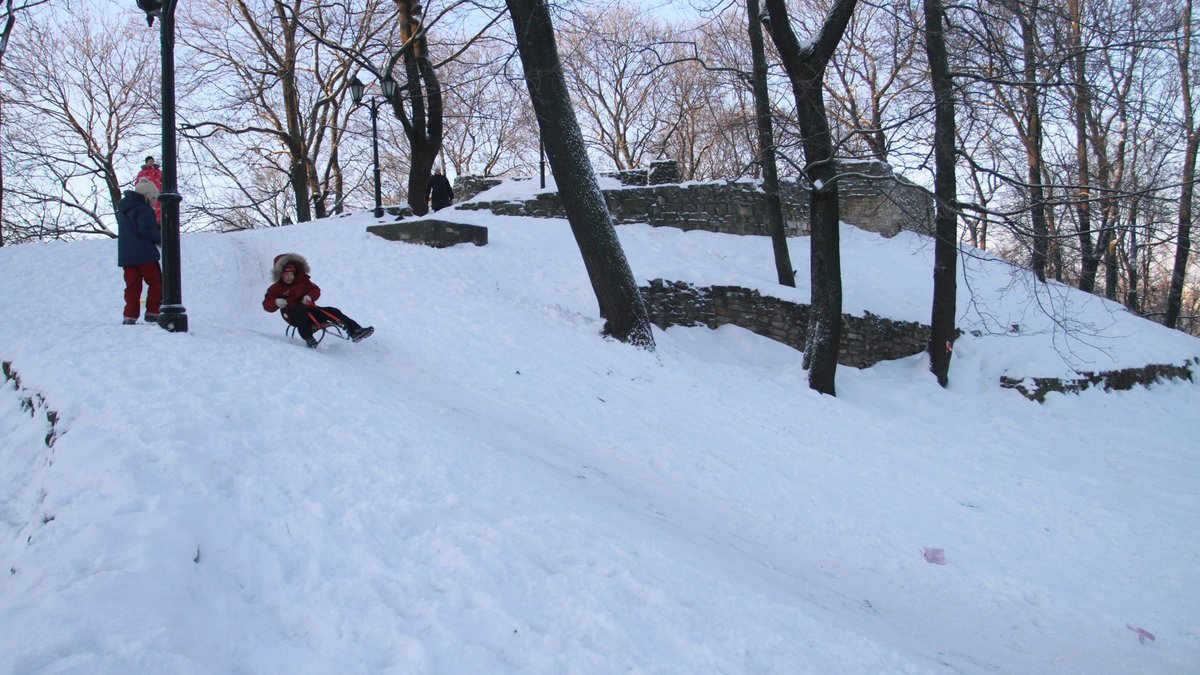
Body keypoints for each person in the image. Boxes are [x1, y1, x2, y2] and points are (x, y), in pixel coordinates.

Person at [262, 253, 374, 348]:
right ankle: (308, 338)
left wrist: (309, 296)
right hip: (292, 315)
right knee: (298, 311)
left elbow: (315, 289)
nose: (289, 277)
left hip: (309, 310)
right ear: (279, 275)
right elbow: (267, 305)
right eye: (286, 274)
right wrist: (276, 302)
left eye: (291, 274)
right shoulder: (275, 288)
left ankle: (355, 331)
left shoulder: (303, 281)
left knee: (332, 311)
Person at [117, 178, 163, 325]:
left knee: (132, 285)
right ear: (147, 196)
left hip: (127, 256)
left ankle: (129, 315)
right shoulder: (144, 209)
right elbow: (146, 229)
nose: (155, 202)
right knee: (157, 282)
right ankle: (153, 312)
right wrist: (159, 238)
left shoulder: (124, 210)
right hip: (145, 255)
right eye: (154, 198)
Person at [135, 156, 164, 223]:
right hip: (146, 193)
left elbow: (164, 181)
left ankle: (158, 221)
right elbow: (138, 183)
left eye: (152, 161)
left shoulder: (158, 172)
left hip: (157, 192)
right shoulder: (142, 173)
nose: (151, 162)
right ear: (146, 162)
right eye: (149, 161)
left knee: (158, 207)